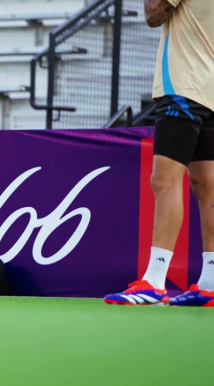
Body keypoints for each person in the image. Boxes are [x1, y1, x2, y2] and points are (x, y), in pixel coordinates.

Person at [104, 0, 214, 306]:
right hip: (210, 89)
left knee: (164, 181)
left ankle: (154, 281)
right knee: (207, 188)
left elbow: (153, 13)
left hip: (183, 87)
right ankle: (210, 282)